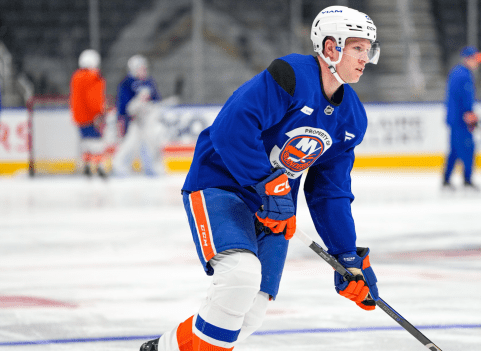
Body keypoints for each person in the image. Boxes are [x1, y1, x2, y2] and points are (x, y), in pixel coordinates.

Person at [139, 6, 381, 351]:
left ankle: (163, 348)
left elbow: (330, 192)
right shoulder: (291, 76)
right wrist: (267, 184)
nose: (365, 57)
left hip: (275, 205)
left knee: (251, 311)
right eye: (358, 48)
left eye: (367, 49)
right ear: (331, 48)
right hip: (220, 185)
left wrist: (347, 256)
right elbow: (230, 129)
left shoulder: (351, 118)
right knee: (239, 275)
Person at [112, 54, 166, 176]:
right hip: (133, 121)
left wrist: (151, 107)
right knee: (129, 144)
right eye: (141, 68)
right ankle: (119, 167)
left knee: (152, 142)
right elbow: (124, 106)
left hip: (147, 119)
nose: (144, 71)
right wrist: (133, 108)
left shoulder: (149, 81)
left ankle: (153, 168)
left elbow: (156, 99)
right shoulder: (126, 83)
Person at [442, 46, 481, 190]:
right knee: (468, 148)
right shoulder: (463, 75)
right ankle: (466, 179)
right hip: (460, 120)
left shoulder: (459, 73)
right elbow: (461, 99)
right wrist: (468, 113)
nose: (477, 63)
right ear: (468, 59)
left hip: (456, 118)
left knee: (455, 149)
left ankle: (446, 179)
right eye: (475, 59)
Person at [69, 49, 108, 178]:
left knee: (85, 141)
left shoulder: (76, 77)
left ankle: (86, 165)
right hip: (92, 116)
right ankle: (99, 167)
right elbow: (95, 98)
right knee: (97, 142)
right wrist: (99, 112)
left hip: (79, 116)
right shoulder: (94, 77)